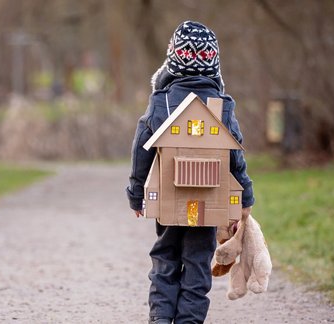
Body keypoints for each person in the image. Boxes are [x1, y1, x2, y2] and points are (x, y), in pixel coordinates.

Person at [126, 21, 255, 324]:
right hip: (207, 205)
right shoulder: (220, 106)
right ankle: (189, 320)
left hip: (170, 203)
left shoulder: (162, 102)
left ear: (172, 60)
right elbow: (235, 154)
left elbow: (141, 149)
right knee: (198, 263)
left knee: (165, 257)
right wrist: (244, 197)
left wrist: (137, 193)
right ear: (214, 66)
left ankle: (160, 318)